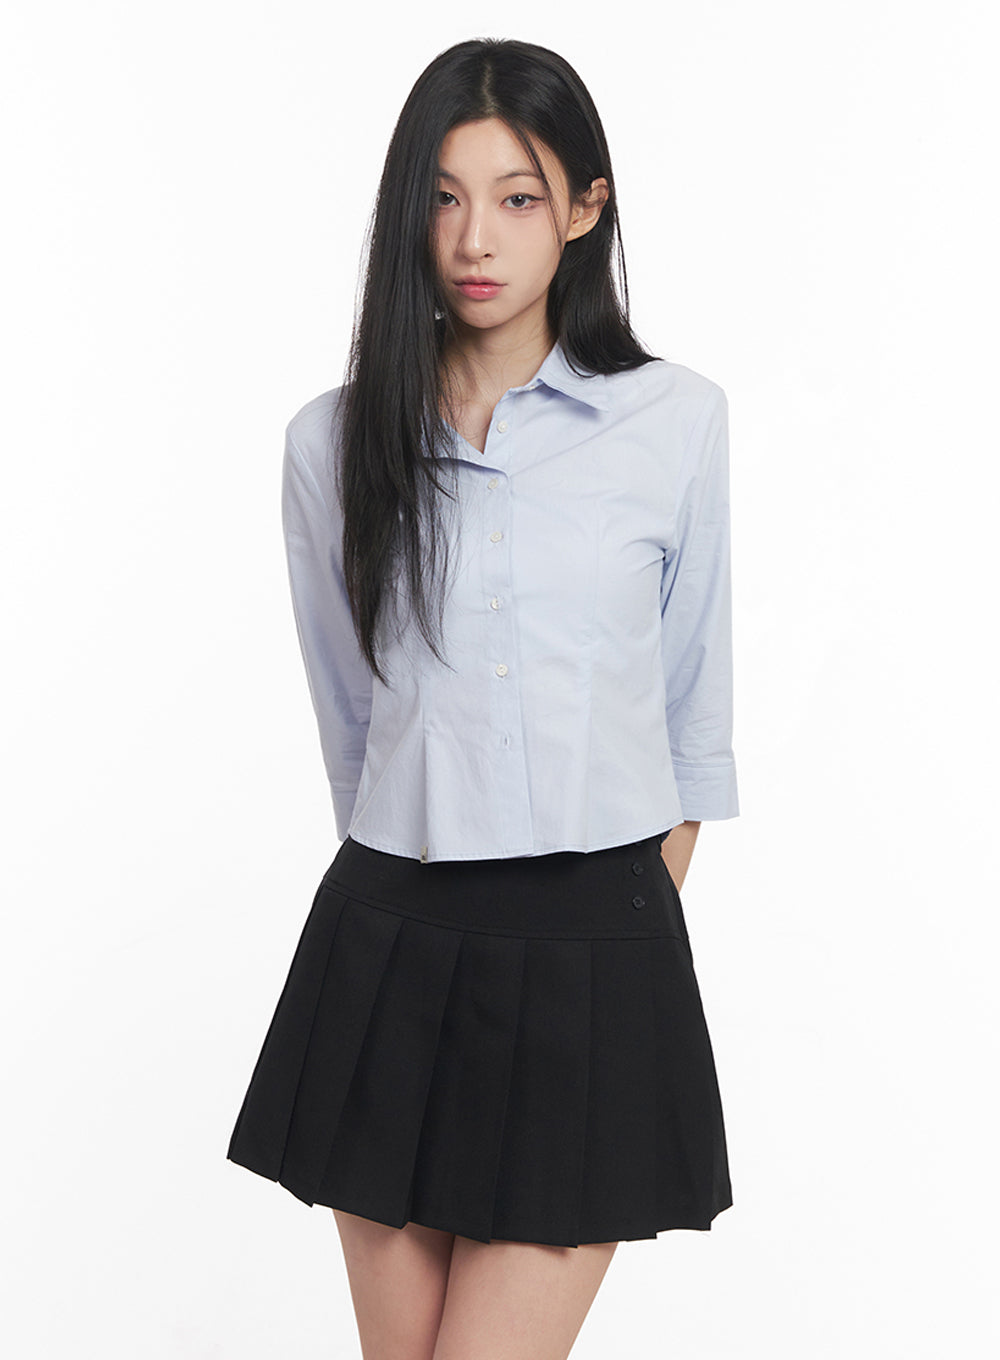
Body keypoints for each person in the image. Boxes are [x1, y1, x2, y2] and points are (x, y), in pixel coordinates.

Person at [227, 35, 739, 1360]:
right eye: (444, 197)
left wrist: (614, 923)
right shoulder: (331, 443)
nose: (474, 238)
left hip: (595, 944)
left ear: (584, 208)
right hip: (391, 939)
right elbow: (354, 720)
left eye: (518, 197)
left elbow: (693, 720)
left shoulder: (675, 424)